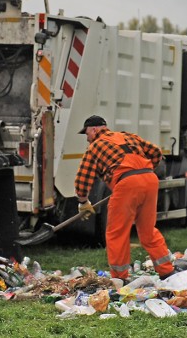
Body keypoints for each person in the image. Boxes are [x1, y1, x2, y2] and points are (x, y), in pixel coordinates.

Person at [74, 115, 174, 282]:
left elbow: (83, 180)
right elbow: (156, 152)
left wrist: (83, 202)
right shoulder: (128, 136)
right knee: (148, 230)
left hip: (127, 183)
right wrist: (141, 173)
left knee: (116, 232)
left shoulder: (95, 146)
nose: (87, 139)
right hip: (149, 180)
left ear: (94, 129)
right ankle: (167, 271)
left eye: (87, 134)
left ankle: (119, 278)